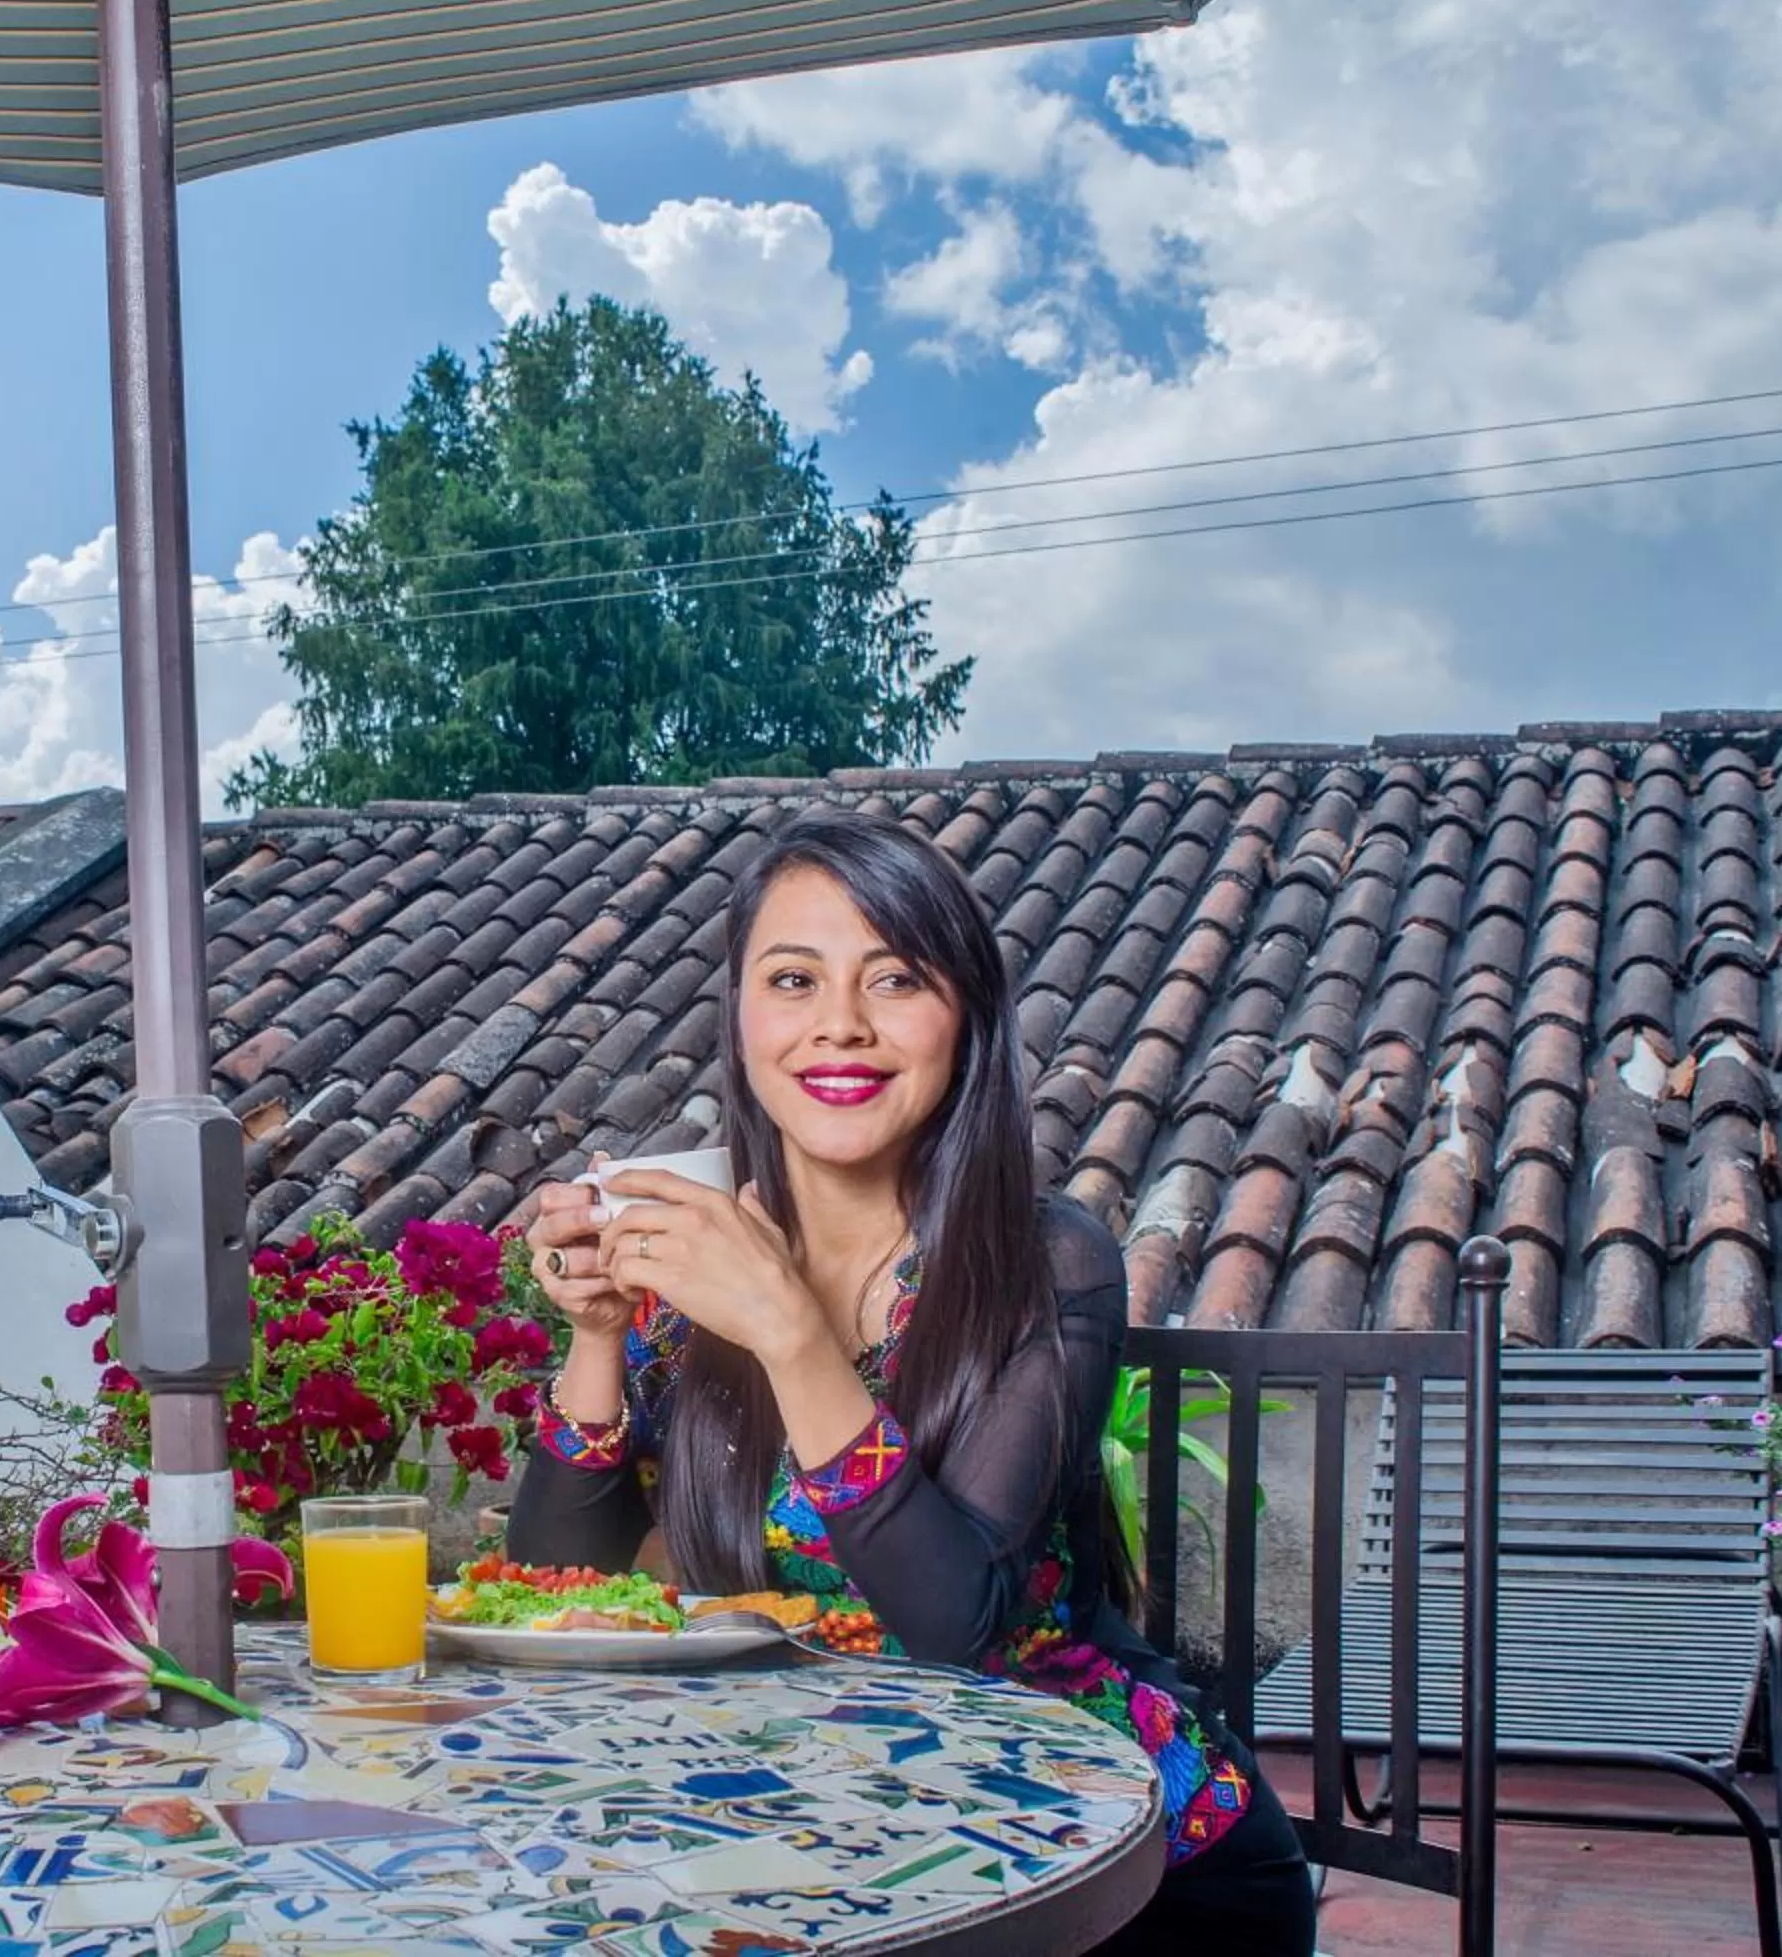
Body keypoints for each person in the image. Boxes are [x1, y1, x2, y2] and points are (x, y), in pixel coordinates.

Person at [507, 807, 1315, 1955]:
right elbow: (556, 1586)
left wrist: (791, 1331)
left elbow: (954, 1625)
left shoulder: (1042, 1259)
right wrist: (595, 1333)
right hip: (825, 1820)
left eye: (895, 980)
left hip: (1112, 1863)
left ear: (964, 1016)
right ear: (739, 1018)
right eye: (793, 978)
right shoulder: (702, 1261)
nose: (839, 1025)